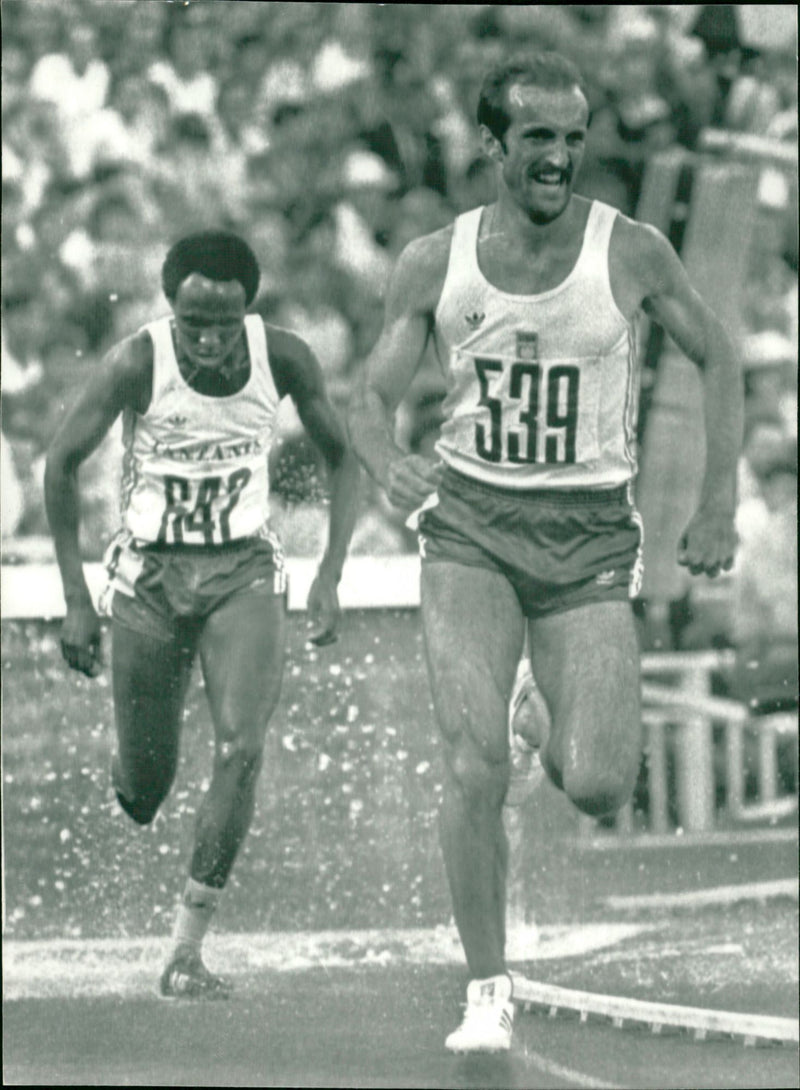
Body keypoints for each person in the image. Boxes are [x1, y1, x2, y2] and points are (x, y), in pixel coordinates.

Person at [348, 52, 742, 1052]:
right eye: (537, 137)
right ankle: (486, 984)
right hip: (472, 528)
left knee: (601, 782)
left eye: (572, 137)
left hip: (585, 538)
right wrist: (383, 457)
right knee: (469, 765)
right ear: (490, 144)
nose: (559, 156)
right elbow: (368, 393)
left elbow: (718, 354)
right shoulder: (434, 260)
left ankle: (540, 711)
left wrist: (715, 500)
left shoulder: (633, 250)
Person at [45, 230, 359, 999]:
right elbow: (58, 463)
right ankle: (132, 762)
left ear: (249, 310)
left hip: (241, 572)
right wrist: (77, 602)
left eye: (226, 323)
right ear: (170, 308)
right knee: (146, 793)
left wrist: (330, 575)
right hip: (151, 576)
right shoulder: (135, 362)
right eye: (195, 324)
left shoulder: (282, 358)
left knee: (241, 746)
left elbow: (342, 457)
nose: (212, 341)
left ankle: (185, 951)